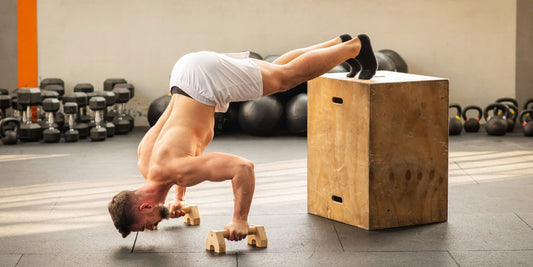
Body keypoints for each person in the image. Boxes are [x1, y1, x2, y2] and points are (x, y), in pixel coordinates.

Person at [108, 34, 377, 240]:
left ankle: (356, 48)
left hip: (205, 82)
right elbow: (179, 156)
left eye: (144, 226)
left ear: (144, 206)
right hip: (186, 73)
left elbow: (243, 168)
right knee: (276, 70)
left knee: (285, 79)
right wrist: (178, 199)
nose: (152, 227)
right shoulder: (146, 160)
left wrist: (240, 220)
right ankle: (339, 44)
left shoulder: (175, 169)